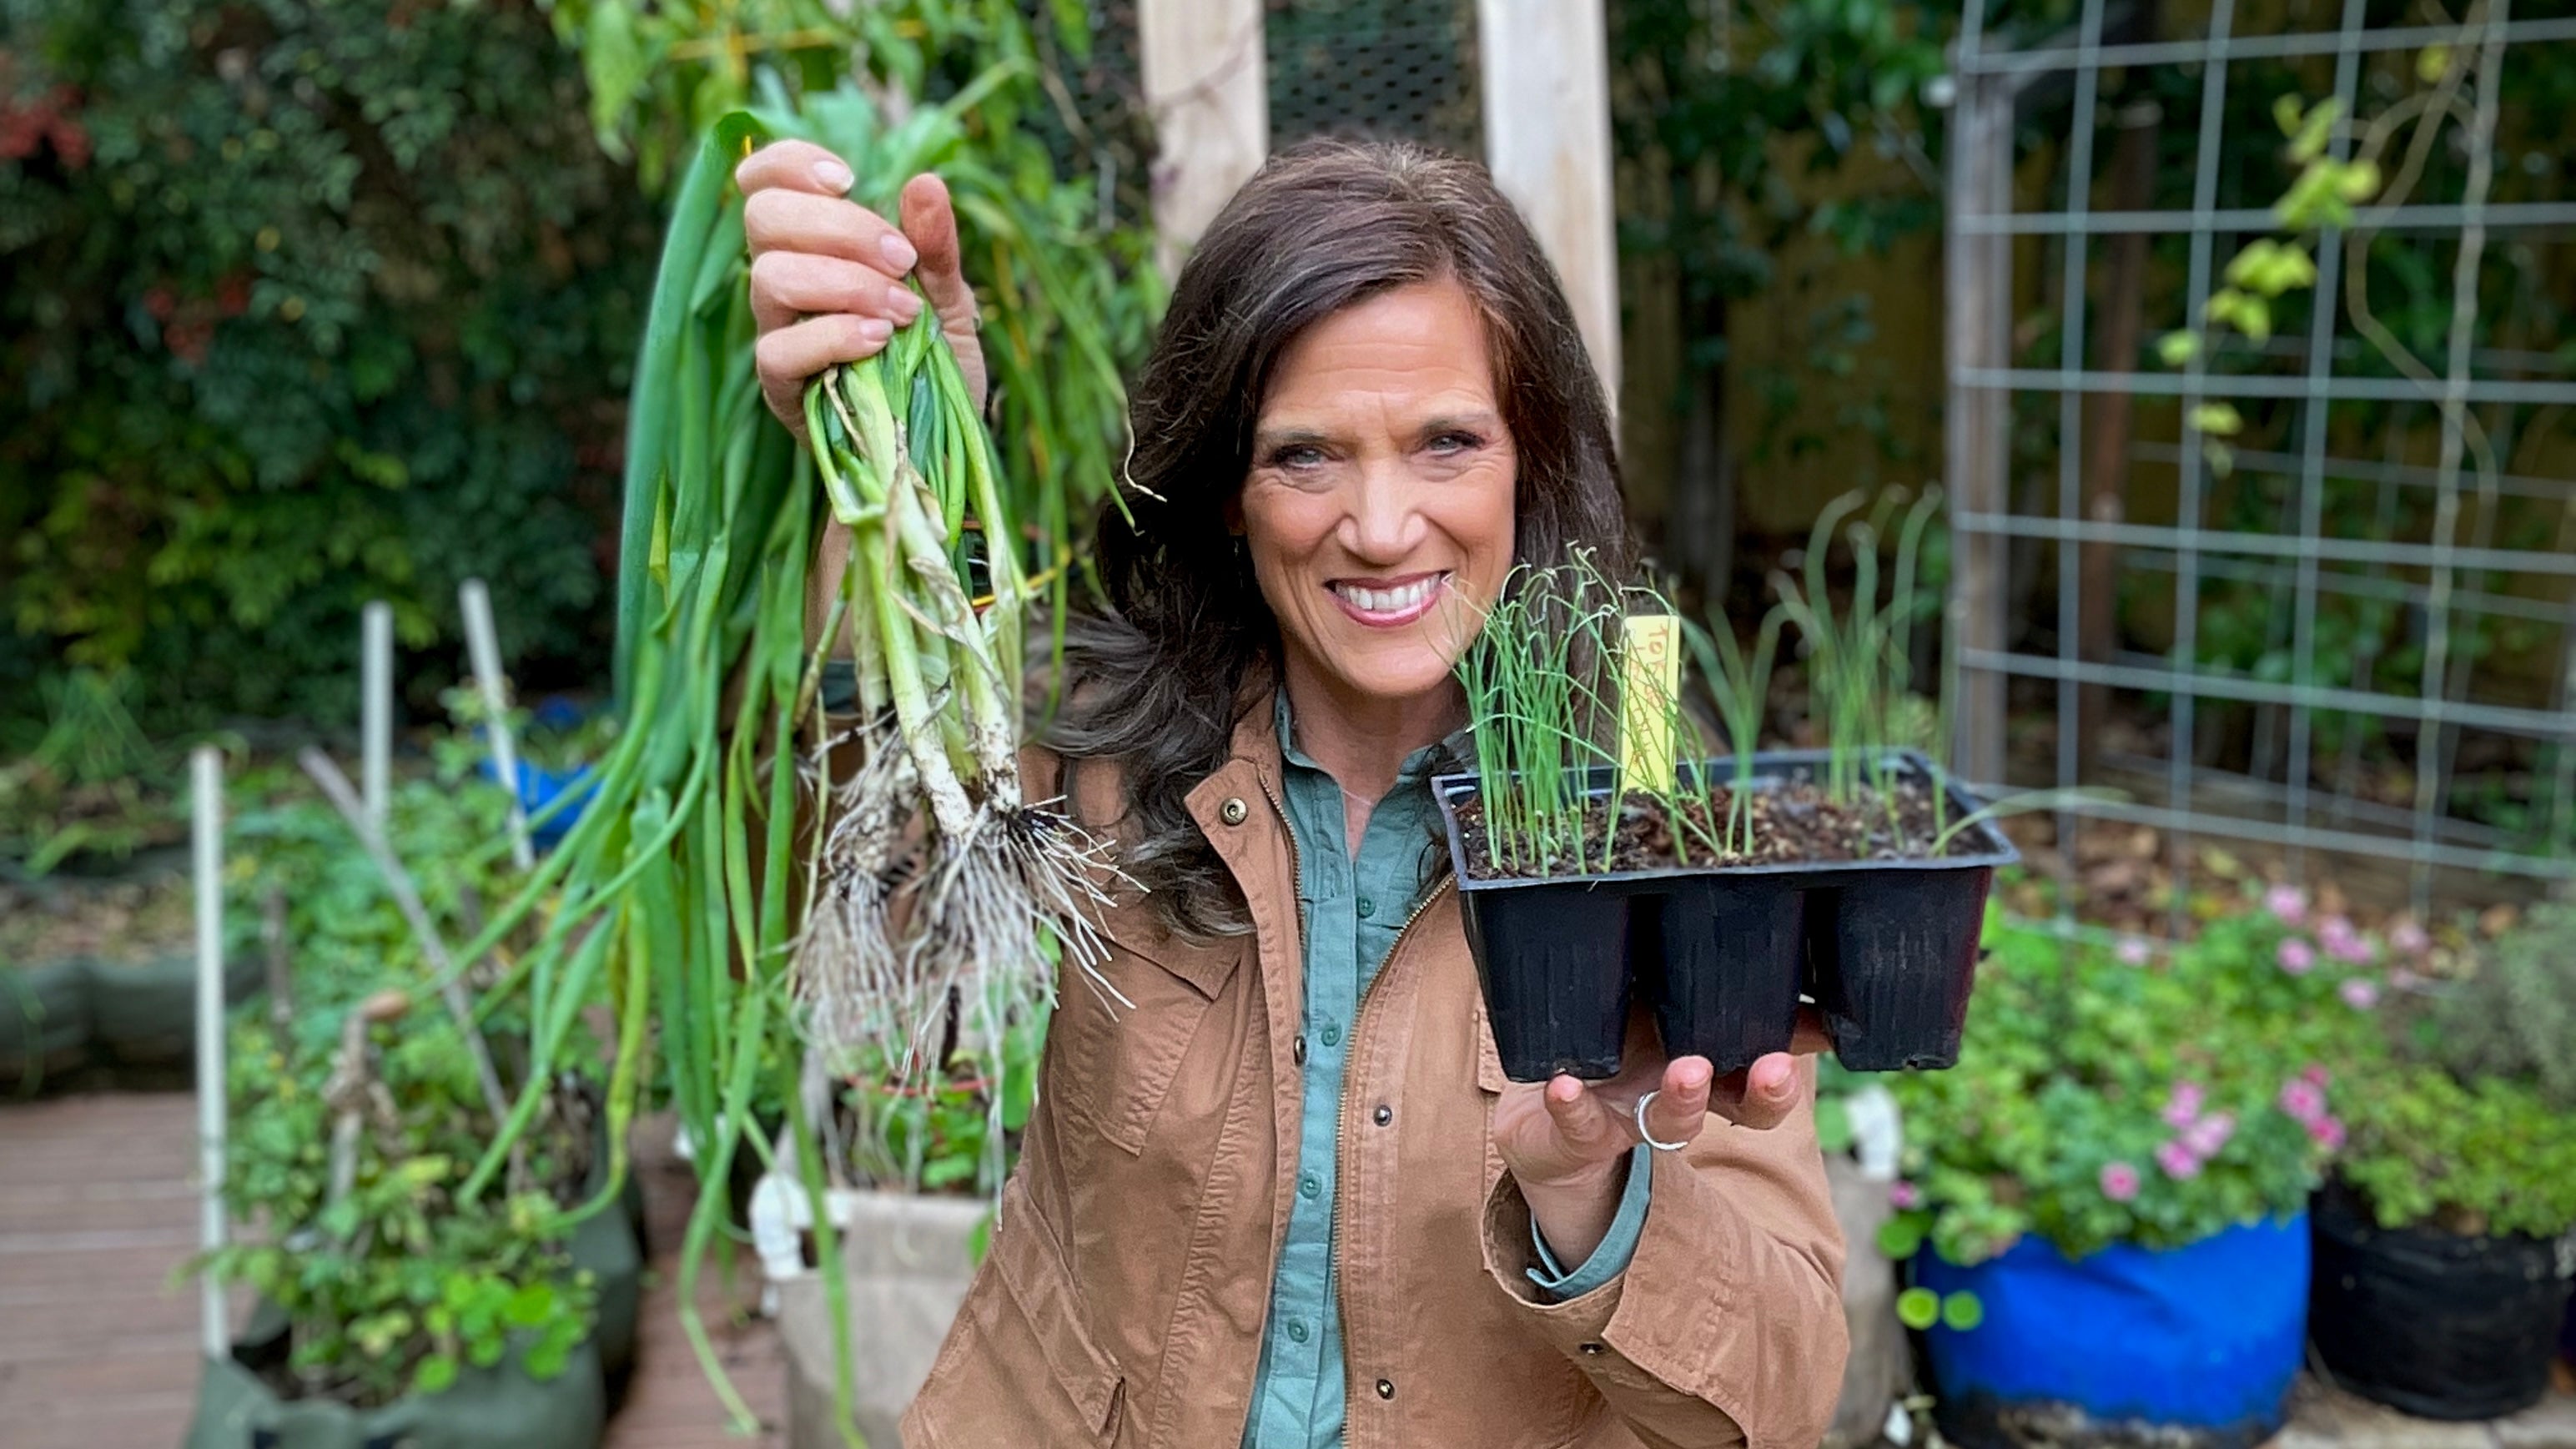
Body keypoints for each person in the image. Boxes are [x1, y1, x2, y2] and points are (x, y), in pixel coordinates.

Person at [738, 133, 1849, 1448]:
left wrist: (1595, 1193)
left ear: (1529, 461)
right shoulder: (1098, 740)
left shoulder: (1644, 792)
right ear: (1223, 494)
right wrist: (895, 486)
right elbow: (842, 917)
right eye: (1306, 456)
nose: (1380, 527)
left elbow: (1781, 1394)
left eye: (1447, 441)